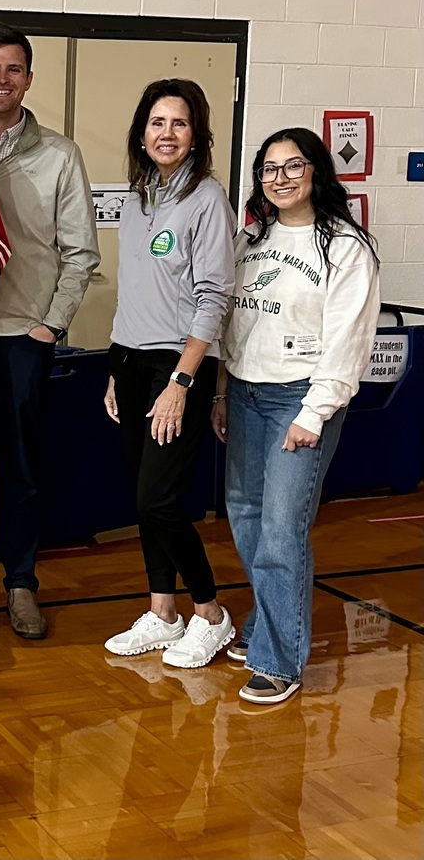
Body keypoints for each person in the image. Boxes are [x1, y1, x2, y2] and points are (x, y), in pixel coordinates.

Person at [212, 128, 380, 705]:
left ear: (317, 172)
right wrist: (220, 391)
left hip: (301, 399)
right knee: (246, 517)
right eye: (269, 168)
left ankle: (278, 661)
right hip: (244, 394)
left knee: (283, 531)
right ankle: (265, 620)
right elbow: (232, 324)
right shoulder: (248, 241)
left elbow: (348, 343)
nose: (279, 178)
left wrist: (315, 412)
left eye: (293, 165)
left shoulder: (345, 247)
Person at [0, 23, 100, 638]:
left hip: (20, 339)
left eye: (13, 69)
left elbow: (79, 252)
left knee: (20, 469)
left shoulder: (60, 155)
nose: (1, 79)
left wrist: (49, 325)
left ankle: (21, 586)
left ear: (28, 79)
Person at [103, 78, 236, 668]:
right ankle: (162, 612)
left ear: (196, 135)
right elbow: (134, 289)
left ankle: (209, 612)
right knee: (140, 496)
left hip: (177, 365)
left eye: (179, 124)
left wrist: (181, 383)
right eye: (157, 123)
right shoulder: (138, 199)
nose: (167, 134)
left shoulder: (206, 199)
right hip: (129, 360)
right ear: (141, 132)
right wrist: (114, 370)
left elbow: (213, 297)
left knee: (160, 499)